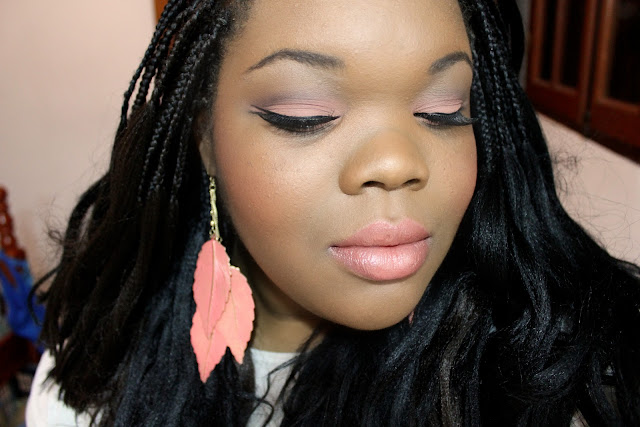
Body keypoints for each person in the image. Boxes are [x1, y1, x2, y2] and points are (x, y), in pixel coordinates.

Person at [27, 0, 640, 425]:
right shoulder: (90, 381)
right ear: (205, 137)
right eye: (307, 113)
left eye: (444, 109)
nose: (397, 162)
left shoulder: (549, 381)